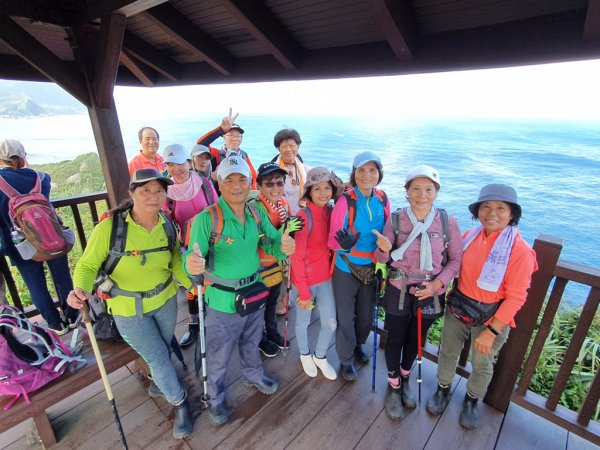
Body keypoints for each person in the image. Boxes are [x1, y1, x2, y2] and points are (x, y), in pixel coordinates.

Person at [66, 168, 194, 439]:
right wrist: (80, 289)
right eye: (145, 190)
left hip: (165, 300)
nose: (153, 196)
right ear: (131, 193)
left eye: (159, 190)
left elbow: (174, 261)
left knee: (164, 344)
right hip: (127, 308)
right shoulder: (110, 227)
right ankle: (180, 402)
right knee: (157, 356)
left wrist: (191, 282)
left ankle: (161, 384)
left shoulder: (167, 225)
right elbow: (88, 265)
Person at [183, 155, 295, 426]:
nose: (236, 186)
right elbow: (191, 264)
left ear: (249, 183)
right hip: (222, 300)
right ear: (219, 183)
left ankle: (254, 374)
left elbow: (270, 242)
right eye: (229, 179)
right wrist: (191, 263)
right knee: (219, 352)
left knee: (251, 339)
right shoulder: (206, 220)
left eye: (241, 179)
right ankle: (215, 397)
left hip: (255, 292)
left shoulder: (256, 212)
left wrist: (283, 246)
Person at [425, 183, 537, 429]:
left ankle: (471, 400)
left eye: (500, 208)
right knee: (448, 351)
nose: (492, 213)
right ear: (478, 211)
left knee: (482, 362)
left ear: (512, 214)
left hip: (491, 317)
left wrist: (493, 331)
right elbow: (451, 263)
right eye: (485, 207)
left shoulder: (520, 251)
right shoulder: (469, 236)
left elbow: (516, 297)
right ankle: (443, 389)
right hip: (459, 307)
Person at [374, 165, 462, 420]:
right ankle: (393, 386)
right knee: (396, 337)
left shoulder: (448, 222)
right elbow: (383, 257)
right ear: (407, 191)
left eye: (428, 189)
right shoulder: (395, 219)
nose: (422, 194)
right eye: (416, 189)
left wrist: (437, 285)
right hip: (398, 287)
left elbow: (455, 261)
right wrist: (382, 248)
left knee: (416, 339)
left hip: (430, 290)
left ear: (436, 192)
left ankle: (405, 377)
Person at [0, 138, 77, 334]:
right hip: (51, 236)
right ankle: (73, 316)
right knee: (62, 278)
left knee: (36, 286)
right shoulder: (42, 178)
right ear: (24, 156)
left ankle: (55, 324)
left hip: (19, 244)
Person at [327, 151, 390, 381]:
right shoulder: (346, 201)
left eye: (372, 170)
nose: (367, 175)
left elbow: (387, 234)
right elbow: (332, 240)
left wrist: (385, 248)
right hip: (346, 266)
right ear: (354, 174)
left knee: (365, 315)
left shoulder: (382, 198)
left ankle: (359, 344)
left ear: (379, 174)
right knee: (345, 316)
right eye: (361, 170)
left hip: (371, 267)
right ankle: (345, 359)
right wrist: (344, 245)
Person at [162, 143, 218, 348]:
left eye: (179, 163)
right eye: (170, 164)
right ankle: (194, 323)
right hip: (186, 244)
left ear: (188, 162)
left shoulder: (203, 182)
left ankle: (211, 321)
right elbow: (165, 218)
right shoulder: (166, 190)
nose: (176, 169)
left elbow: (217, 206)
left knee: (213, 281)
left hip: (211, 240)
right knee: (192, 285)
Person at [291, 167, 344, 380]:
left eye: (327, 188)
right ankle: (304, 353)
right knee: (303, 321)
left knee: (330, 323)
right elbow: (296, 256)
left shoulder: (332, 212)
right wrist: (303, 292)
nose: (323, 193)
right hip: (304, 281)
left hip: (326, 279)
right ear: (309, 192)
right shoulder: (303, 216)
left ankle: (320, 355)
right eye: (318, 188)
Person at [249, 162, 292, 358]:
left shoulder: (283, 203)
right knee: (258, 305)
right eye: (269, 184)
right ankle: (259, 338)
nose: (275, 188)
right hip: (258, 266)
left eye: (279, 182)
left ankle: (272, 331)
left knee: (273, 301)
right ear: (258, 186)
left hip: (276, 262)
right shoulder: (254, 208)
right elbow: (263, 239)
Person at [196, 108, 257, 187]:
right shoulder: (215, 154)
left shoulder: (244, 155)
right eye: (230, 135)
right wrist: (221, 130)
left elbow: (254, 179)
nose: (235, 138)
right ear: (224, 137)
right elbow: (201, 144)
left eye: (238, 136)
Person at [271, 128, 309, 214]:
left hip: (301, 218)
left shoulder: (306, 170)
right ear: (278, 148)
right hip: (279, 218)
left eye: (292, 146)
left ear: (298, 146)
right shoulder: (270, 172)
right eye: (284, 146)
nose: (288, 150)